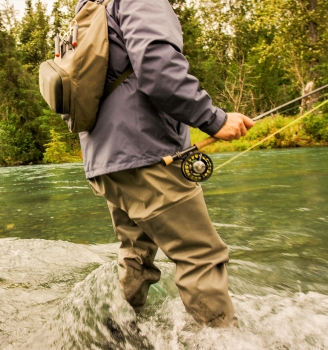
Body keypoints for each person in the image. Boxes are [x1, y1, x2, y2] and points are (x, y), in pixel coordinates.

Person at [73, 0, 254, 327]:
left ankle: (120, 330)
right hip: (147, 153)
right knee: (201, 256)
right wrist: (214, 119)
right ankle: (221, 341)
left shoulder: (94, 6)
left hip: (106, 162)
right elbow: (158, 70)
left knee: (135, 253)